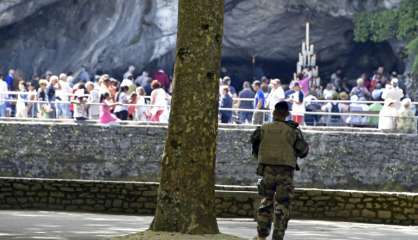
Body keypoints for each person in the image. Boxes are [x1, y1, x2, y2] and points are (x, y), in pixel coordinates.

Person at [251, 101, 309, 240]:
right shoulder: (293, 130)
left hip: (267, 170)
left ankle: (261, 235)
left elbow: (255, 148)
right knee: (282, 204)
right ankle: (278, 236)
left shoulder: (263, 128)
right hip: (285, 172)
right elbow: (303, 151)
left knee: (266, 202)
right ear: (287, 114)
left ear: (273, 113)